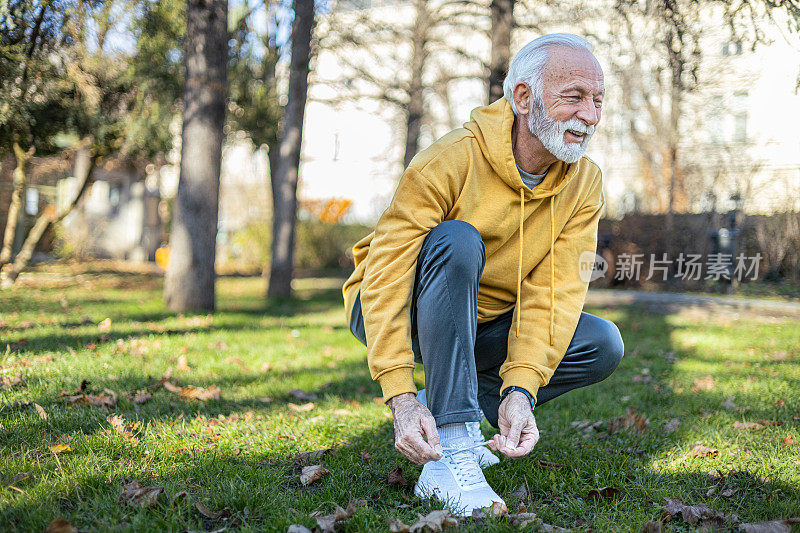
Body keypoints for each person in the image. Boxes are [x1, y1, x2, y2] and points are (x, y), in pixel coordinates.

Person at [341, 33, 624, 516]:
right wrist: (402, 397)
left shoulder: (585, 183)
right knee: (457, 240)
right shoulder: (449, 160)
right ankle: (452, 444)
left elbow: (552, 295)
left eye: (597, 100)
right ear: (523, 97)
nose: (590, 116)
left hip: (485, 324)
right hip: (400, 306)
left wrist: (521, 391)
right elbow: (385, 276)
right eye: (574, 97)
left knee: (600, 342)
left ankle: (460, 414)